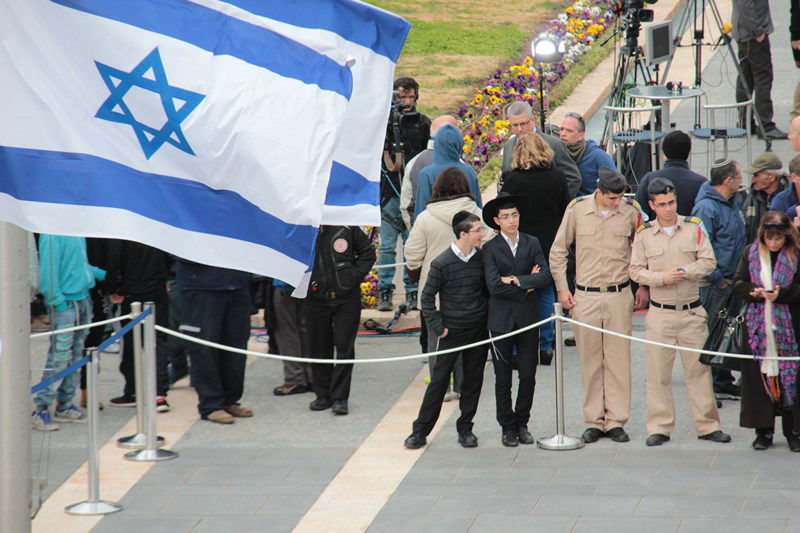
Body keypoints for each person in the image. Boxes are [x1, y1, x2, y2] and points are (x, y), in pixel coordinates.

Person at [550, 167, 648, 444]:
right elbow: (558, 250)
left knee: (618, 361)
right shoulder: (577, 210)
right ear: (599, 192)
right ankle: (594, 421)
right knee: (590, 361)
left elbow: (643, 249)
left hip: (619, 294)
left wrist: (643, 285)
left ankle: (616, 421)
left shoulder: (630, 212)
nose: (617, 202)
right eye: (612, 198)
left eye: (620, 197)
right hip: (586, 296)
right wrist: (562, 287)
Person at [630, 178, 731, 446]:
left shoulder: (693, 227)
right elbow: (635, 270)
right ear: (652, 205)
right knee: (658, 375)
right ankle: (660, 427)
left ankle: (707, 425)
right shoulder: (644, 234)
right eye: (662, 204)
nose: (668, 209)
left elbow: (708, 262)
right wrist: (661, 278)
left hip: (691, 311)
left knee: (699, 373)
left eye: (671, 202)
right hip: (660, 313)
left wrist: (686, 271)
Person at [404, 211, 490, 449]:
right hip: (450, 333)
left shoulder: (482, 258)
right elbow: (426, 298)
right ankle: (419, 432)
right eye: (478, 230)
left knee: (472, 383)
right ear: (463, 234)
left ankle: (466, 430)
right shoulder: (441, 262)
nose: (482, 234)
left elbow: (488, 290)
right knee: (438, 383)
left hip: (478, 332)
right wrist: (438, 328)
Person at [405, 168, 491, 399]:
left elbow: (412, 253)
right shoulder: (477, 215)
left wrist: (417, 273)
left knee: (436, 344)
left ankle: (440, 389)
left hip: (434, 293)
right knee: (465, 343)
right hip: (469, 292)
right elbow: (488, 247)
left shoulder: (425, 217)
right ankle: (462, 387)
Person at [482, 192, 551, 447]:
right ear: (496, 221)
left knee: (528, 375)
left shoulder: (532, 242)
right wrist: (526, 285)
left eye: (514, 215)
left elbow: (545, 276)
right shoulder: (490, 248)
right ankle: (507, 426)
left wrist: (514, 280)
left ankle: (522, 423)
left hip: (528, 318)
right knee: (502, 378)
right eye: (505, 217)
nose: (511, 221)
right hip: (500, 320)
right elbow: (493, 286)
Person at [501, 132, 571, 363]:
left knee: (517, 292)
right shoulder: (558, 177)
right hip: (550, 242)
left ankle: (515, 349)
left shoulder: (514, 180)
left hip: (521, 243)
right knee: (545, 290)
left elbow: (503, 213)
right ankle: (546, 345)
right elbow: (565, 210)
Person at [734, 212, 800, 451]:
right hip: (758, 329)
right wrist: (753, 291)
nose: (774, 243)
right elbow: (738, 282)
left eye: (779, 238)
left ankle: (794, 431)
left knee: (791, 379)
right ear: (762, 236)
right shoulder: (749, 252)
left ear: (787, 236)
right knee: (760, 380)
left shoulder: (796, 254)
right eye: (769, 238)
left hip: (790, 327)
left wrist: (782, 294)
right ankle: (763, 431)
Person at [32, 235, 106, 431]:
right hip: (65, 305)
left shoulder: (74, 231)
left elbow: (78, 264)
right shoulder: (51, 235)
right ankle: (41, 409)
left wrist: (99, 274)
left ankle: (64, 403)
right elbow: (48, 275)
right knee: (59, 356)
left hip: (83, 300)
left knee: (75, 354)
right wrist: (57, 302)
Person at [305, 225, 375, 415]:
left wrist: (352, 276)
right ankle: (322, 395)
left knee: (344, 347)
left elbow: (368, 253)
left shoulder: (348, 226)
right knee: (318, 346)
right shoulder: (304, 226)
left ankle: (340, 398)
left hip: (346, 299)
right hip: (315, 299)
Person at [692, 159, 747, 400]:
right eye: (739, 177)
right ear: (728, 180)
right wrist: (718, 279)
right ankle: (709, 386)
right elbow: (699, 247)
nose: (741, 181)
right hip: (716, 283)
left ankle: (722, 380)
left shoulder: (733, 203)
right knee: (712, 332)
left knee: (728, 331)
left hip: (731, 280)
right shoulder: (706, 208)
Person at [377, 77, 430, 312]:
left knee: (412, 246)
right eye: (401, 96)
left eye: (410, 96)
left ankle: (412, 290)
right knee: (387, 247)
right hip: (389, 195)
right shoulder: (383, 124)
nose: (406, 102)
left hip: (413, 197)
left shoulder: (422, 123)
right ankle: (384, 291)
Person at [177, 259, 252, 424]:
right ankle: (210, 405)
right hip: (201, 286)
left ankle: (230, 400)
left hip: (237, 283)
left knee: (236, 347)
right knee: (204, 348)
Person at [104, 240, 172, 412]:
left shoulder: (123, 231)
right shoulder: (156, 227)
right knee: (159, 341)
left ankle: (132, 390)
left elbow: (114, 259)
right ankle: (159, 393)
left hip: (131, 290)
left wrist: (112, 288)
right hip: (157, 287)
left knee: (130, 343)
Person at [500, 101, 580, 197]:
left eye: (523, 124)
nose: (519, 129)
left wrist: (559, 202)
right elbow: (504, 177)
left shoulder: (554, 144)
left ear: (533, 120)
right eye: (515, 125)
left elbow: (573, 178)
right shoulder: (508, 146)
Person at [732, 0, 786, 139]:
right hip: (752, 33)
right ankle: (765, 126)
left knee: (746, 75)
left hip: (744, 31)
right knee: (763, 76)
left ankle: (745, 122)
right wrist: (757, 31)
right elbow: (745, 4)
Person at [400, 115, 460, 229]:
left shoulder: (414, 162)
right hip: (458, 233)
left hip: (424, 231)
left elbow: (406, 205)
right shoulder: (461, 164)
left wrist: (415, 231)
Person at [413, 124, 483, 221]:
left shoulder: (426, 174)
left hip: (436, 227)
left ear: (437, 145)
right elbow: (477, 206)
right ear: (459, 144)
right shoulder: (469, 170)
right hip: (467, 226)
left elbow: (421, 210)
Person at [635, 130, 706, 221]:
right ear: (688, 152)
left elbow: (639, 214)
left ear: (664, 152)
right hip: (692, 229)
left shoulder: (649, 179)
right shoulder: (701, 183)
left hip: (655, 229)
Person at [268, 279, 312, 396]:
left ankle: (295, 378)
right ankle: (310, 376)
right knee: (305, 328)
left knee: (286, 331)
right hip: (306, 282)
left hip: (285, 283)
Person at [559, 112, 616, 196]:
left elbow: (615, 187)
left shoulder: (599, 157)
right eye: (561, 129)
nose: (563, 134)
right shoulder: (557, 153)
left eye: (569, 131)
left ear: (581, 136)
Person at [740, 152, 787, 243]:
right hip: (758, 250)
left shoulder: (790, 194)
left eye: (756, 175)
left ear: (771, 176)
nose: (753, 180)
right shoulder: (753, 195)